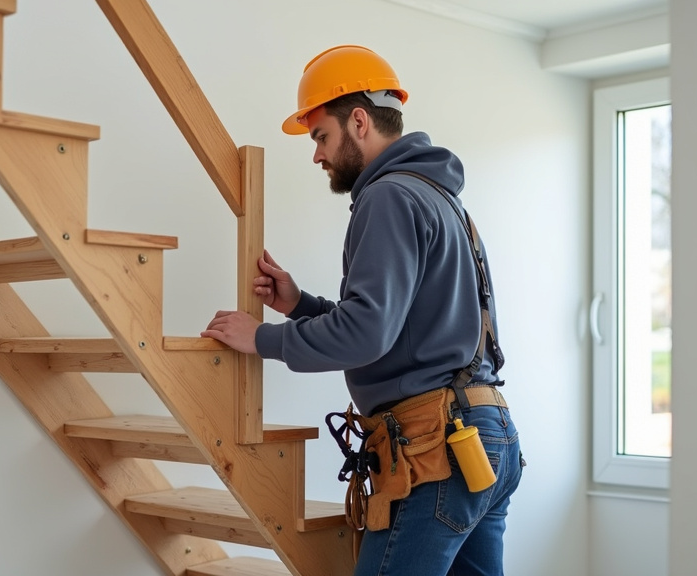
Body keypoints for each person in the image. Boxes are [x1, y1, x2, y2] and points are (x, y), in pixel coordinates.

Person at [201, 45, 522, 576]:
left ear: (358, 121)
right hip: (486, 435)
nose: (317, 155)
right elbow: (400, 327)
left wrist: (261, 338)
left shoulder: (388, 197)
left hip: (435, 450)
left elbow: (366, 333)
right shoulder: (440, 197)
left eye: (320, 136)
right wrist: (299, 305)